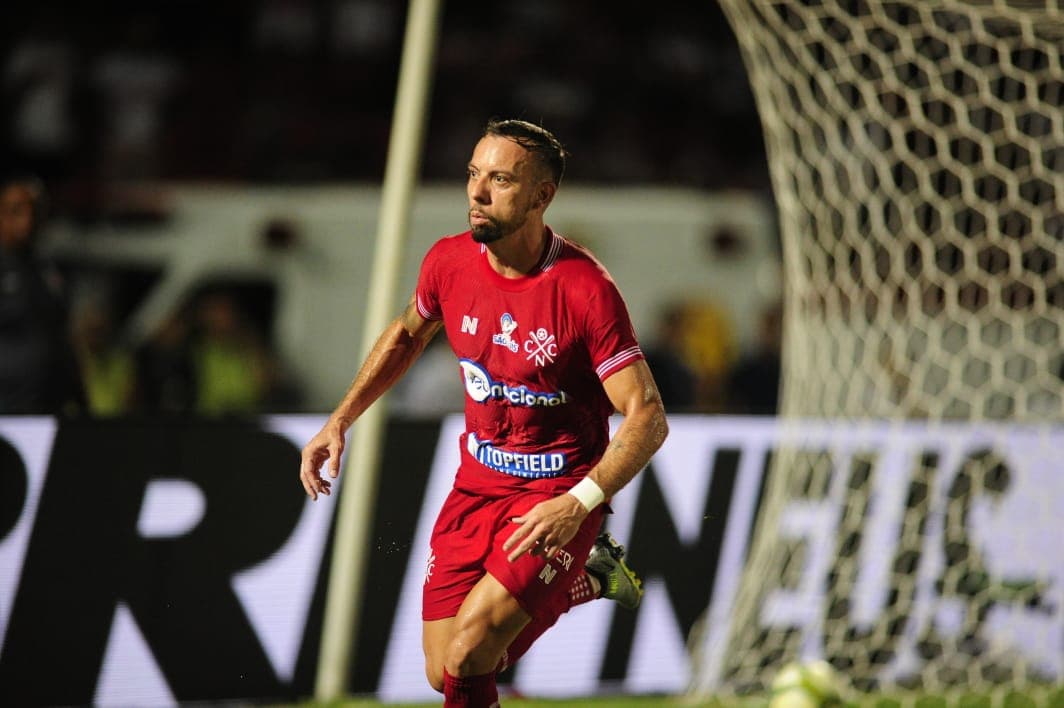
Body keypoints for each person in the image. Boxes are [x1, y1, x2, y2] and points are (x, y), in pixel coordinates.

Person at [299, 119, 668, 707]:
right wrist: (340, 418)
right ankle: (595, 578)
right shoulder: (449, 262)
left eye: (499, 179)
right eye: (474, 174)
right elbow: (405, 335)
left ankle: (586, 556)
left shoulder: (584, 290)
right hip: (476, 487)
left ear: (542, 196)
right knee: (443, 674)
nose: (476, 192)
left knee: (470, 654)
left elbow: (647, 416)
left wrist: (579, 504)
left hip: (554, 496)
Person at [0, 176, 86, 414]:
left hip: (48, 405)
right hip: (6, 407)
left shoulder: (49, 269)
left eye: (34, 211)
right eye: (16, 211)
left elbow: (62, 336)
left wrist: (80, 396)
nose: (27, 220)